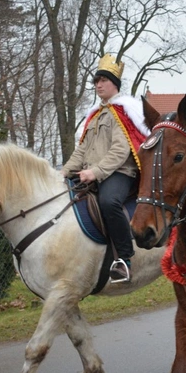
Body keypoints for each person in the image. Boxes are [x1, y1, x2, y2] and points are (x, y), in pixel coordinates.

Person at [61, 54, 149, 282]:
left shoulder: (122, 112)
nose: (98, 85)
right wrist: (63, 171)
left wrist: (95, 172)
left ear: (115, 84)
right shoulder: (95, 114)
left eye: (104, 80)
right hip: (93, 172)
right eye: (96, 81)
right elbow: (81, 151)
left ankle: (124, 260)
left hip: (119, 172)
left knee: (109, 202)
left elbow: (120, 151)